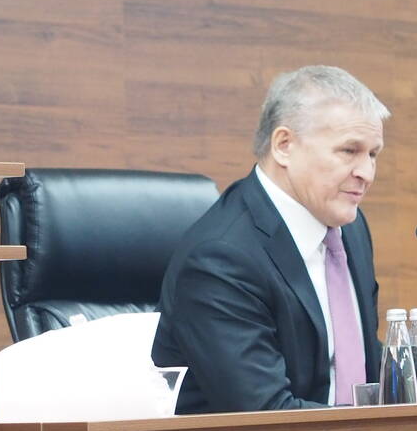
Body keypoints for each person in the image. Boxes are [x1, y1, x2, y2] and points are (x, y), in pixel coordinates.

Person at [152, 65, 387, 413]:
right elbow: (265, 413)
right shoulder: (221, 258)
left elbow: (361, 362)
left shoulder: (349, 229)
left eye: (373, 154)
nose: (366, 173)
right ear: (284, 146)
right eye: (349, 151)